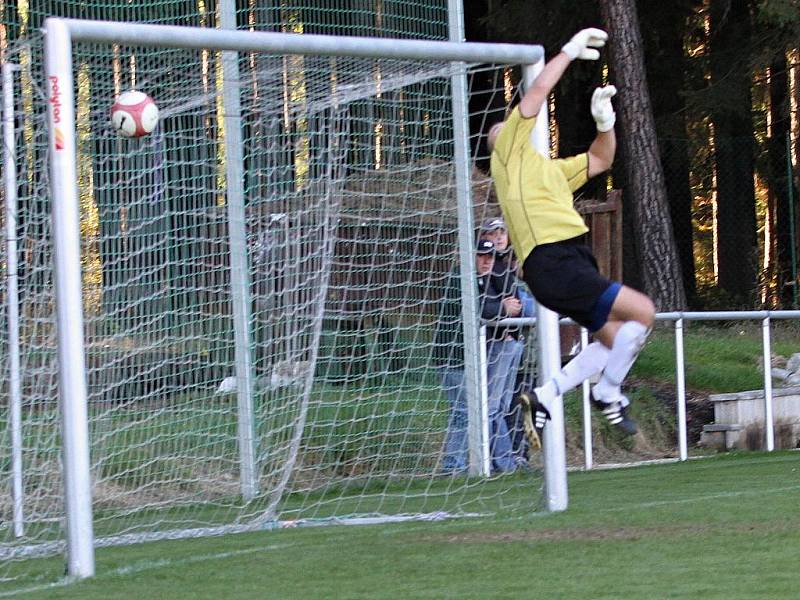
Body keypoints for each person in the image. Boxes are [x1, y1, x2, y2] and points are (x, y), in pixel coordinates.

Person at [488, 27, 656, 435]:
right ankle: (608, 391)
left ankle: (547, 394)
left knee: (616, 337)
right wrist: (566, 51)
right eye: (497, 131)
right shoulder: (508, 156)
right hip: (552, 262)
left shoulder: (548, 170)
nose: (500, 130)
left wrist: (605, 123)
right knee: (644, 312)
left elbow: (600, 160)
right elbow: (537, 91)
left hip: (569, 261)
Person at [435, 239, 520, 473]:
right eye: (482, 256)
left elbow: (513, 303)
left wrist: (501, 305)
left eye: (491, 257)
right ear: (470, 256)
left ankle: (492, 462)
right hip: (454, 358)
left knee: (477, 411)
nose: (486, 261)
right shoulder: (460, 279)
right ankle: (454, 465)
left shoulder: (484, 279)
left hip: (469, 358)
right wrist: (503, 307)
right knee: (463, 413)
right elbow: (482, 308)